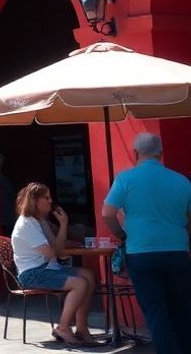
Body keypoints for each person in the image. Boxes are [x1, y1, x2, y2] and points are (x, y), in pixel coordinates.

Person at [102, 132, 191, 354]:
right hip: (177, 251)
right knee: (182, 308)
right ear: (160, 153)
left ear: (135, 153)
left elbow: (107, 214)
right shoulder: (181, 180)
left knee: (155, 311)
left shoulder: (125, 178)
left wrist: (121, 235)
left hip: (141, 252)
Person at [12, 182, 98, 346]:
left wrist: (63, 224)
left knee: (89, 275)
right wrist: (59, 246)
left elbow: (57, 247)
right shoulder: (27, 224)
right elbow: (54, 252)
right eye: (47, 198)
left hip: (49, 267)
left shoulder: (40, 221)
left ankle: (82, 328)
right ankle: (63, 327)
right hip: (32, 273)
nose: (51, 201)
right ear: (35, 201)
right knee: (80, 284)